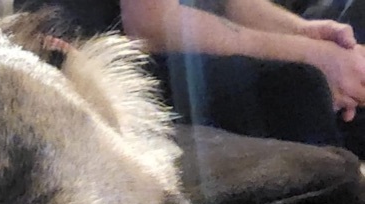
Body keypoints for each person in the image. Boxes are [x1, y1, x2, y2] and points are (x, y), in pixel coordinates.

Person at [43, 1, 365, 154]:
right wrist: (312, 56)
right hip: (88, 56)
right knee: (300, 86)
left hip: (154, 44)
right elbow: (151, 25)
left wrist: (304, 33)